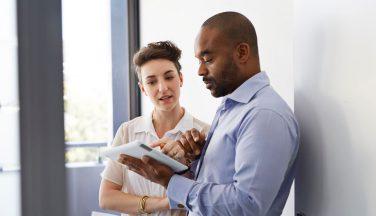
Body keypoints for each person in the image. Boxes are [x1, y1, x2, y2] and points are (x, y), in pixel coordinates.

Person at [119, 11, 299, 216]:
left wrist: (170, 181)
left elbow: (246, 205)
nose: (200, 71)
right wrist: (194, 162)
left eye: (208, 59)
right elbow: (219, 186)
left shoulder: (264, 115)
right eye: (199, 61)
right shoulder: (231, 108)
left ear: (241, 53)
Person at [98, 41, 210, 216]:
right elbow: (106, 198)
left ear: (180, 79)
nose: (163, 88)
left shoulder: (204, 134)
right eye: (151, 82)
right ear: (143, 88)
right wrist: (165, 203)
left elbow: (211, 196)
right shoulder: (128, 131)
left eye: (169, 77)